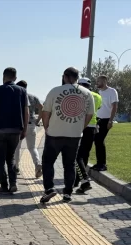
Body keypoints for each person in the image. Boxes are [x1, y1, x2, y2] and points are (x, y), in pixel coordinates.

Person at [40, 67, 95, 203]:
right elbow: (89, 114)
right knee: (69, 165)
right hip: (74, 135)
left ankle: (49, 189)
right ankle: (67, 193)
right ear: (77, 77)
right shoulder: (87, 93)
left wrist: (46, 127)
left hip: (54, 133)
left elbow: (45, 112)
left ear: (64, 76)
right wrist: (80, 127)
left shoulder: (55, 91)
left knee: (48, 162)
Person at [0, 67, 29, 194]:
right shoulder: (22, 91)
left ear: (3, 77)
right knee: (11, 158)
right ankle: (13, 183)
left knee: (0, 159)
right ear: (15, 78)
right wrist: (25, 129)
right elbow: (26, 112)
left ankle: (3, 186)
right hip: (16, 130)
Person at [74, 78, 102, 194]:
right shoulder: (97, 96)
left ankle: (84, 180)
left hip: (80, 126)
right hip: (92, 127)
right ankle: (77, 181)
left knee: (76, 156)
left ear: (80, 85)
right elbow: (98, 108)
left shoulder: (79, 94)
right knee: (84, 155)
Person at [13, 80, 44, 178]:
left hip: (19, 125)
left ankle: (16, 167)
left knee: (17, 148)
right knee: (32, 147)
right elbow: (41, 107)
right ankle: (37, 164)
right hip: (31, 124)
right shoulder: (33, 97)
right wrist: (38, 120)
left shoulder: (17, 96)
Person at [91, 75, 118, 171]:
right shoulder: (99, 92)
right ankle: (99, 163)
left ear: (104, 81)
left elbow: (114, 106)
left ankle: (103, 164)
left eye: (99, 81)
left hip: (106, 119)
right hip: (98, 119)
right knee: (97, 141)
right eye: (97, 81)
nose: (97, 83)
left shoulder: (112, 91)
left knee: (99, 140)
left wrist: (111, 120)